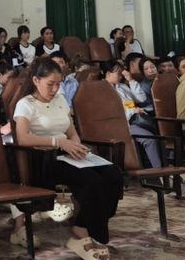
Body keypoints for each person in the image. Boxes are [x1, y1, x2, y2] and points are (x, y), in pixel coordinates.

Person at [14, 58, 123, 258]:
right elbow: (22, 138)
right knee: (91, 180)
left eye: (58, 84)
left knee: (113, 174)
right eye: (50, 84)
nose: (55, 89)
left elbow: (72, 132)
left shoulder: (60, 101)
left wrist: (76, 146)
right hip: (44, 158)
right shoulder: (25, 104)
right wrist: (58, 142)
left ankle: (92, 222)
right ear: (36, 80)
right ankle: (86, 229)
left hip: (67, 153)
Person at [100, 61, 161, 168]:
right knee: (149, 139)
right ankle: (159, 170)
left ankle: (160, 166)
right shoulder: (100, 89)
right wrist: (133, 111)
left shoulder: (122, 86)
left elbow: (141, 98)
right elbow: (110, 112)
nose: (121, 76)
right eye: (118, 73)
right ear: (108, 73)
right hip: (119, 125)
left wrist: (131, 80)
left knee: (158, 132)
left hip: (133, 121)